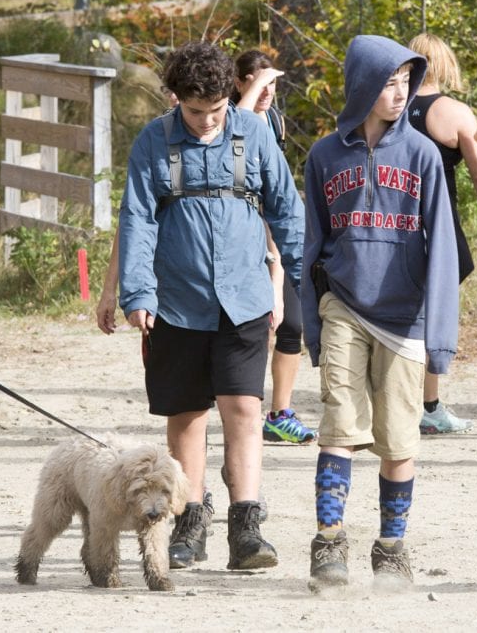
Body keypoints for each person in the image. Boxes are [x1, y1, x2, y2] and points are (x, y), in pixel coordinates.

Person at [118, 41, 303, 572]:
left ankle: (247, 529)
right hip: (177, 301)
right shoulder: (154, 141)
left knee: (244, 408)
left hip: (244, 298)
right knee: (187, 415)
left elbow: (287, 210)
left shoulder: (256, 134)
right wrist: (137, 293)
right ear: (176, 99)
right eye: (194, 111)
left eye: (216, 111)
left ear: (231, 97)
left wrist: (304, 277)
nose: (205, 122)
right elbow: (137, 219)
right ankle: (190, 522)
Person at [300, 35, 459, 590]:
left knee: (398, 440)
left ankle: (391, 548)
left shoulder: (422, 155)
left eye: (404, 83)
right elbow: (311, 245)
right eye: (388, 83)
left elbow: (442, 246)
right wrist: (313, 327)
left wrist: (440, 336)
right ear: (362, 85)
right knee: (339, 424)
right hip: (343, 302)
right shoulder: (323, 155)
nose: (398, 94)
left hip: (406, 317)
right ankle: (329, 541)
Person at [405, 33, 477, 436]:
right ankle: (428, 405)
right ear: (445, 64)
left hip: (391, 222)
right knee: (436, 313)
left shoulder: (387, 108)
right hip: (437, 225)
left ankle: (403, 399)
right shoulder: (452, 112)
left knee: (400, 313)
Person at [232, 49, 317, 445]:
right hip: (246, 242)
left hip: (277, 236)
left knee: (293, 324)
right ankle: (241, 414)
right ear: (240, 82)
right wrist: (271, 259)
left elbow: (277, 195)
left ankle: (280, 413)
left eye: (273, 83)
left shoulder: (276, 121)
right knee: (254, 329)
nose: (268, 91)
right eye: (259, 82)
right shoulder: (231, 122)